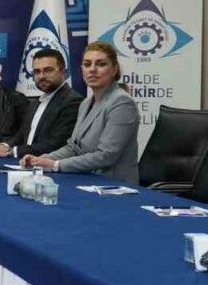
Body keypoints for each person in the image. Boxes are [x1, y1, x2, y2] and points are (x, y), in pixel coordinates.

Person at [22, 41, 139, 182]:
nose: (92, 70)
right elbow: (74, 148)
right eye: (87, 64)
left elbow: (106, 156)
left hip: (114, 184)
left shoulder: (122, 102)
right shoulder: (85, 103)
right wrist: (41, 159)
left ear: (114, 70)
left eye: (101, 64)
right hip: (87, 180)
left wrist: (56, 165)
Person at [0, 48, 81, 158]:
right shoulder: (35, 103)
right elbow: (22, 134)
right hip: (25, 163)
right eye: (37, 71)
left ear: (63, 72)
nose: (41, 76)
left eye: (48, 70)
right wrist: (5, 145)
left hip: (49, 165)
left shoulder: (73, 102)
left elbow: (56, 144)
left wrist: (13, 151)